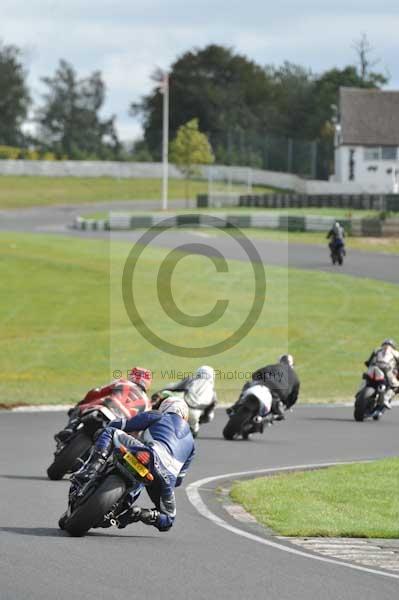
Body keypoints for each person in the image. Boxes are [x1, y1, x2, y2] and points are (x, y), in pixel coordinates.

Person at [71, 395, 195, 532]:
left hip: (149, 454)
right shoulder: (192, 444)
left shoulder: (158, 416)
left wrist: (103, 431)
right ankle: (140, 514)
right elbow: (178, 481)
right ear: (185, 415)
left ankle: (91, 470)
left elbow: (122, 425)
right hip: (166, 478)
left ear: (165, 407)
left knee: (110, 432)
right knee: (168, 519)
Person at [55, 367, 152, 443]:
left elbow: (96, 392)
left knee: (79, 408)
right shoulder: (148, 403)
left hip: (108, 408)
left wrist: (85, 401)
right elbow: (140, 425)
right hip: (122, 425)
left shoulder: (122, 382)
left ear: (132, 376)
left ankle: (69, 429)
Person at [152, 365, 217, 437]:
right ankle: (193, 428)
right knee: (208, 418)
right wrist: (200, 420)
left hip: (183, 406)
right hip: (196, 415)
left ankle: (154, 413)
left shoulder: (192, 379)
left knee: (166, 395)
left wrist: (160, 392)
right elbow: (208, 415)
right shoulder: (213, 393)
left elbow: (174, 387)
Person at [251, 354, 300, 420]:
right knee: (278, 413)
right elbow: (294, 397)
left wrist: (260, 380)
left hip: (264, 386)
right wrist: (288, 406)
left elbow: (255, 375)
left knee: (248, 386)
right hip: (279, 394)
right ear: (292, 365)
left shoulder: (273, 367)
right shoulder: (295, 377)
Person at [364, 339, 399, 408]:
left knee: (365, 377)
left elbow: (368, 362)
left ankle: (360, 392)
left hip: (374, 367)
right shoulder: (396, 352)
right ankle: (386, 399)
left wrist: (369, 364)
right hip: (386, 369)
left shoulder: (377, 350)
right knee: (396, 385)